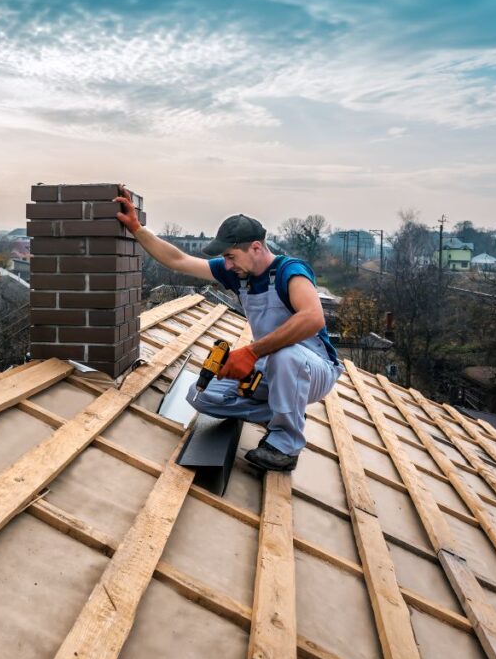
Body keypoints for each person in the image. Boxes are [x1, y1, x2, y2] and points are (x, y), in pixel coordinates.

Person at [114, 188, 342, 471]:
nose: (227, 264)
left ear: (256, 248)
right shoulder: (238, 274)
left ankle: (285, 446)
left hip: (313, 368)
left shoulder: (290, 271)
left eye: (231, 256)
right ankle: (285, 411)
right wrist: (137, 229)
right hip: (271, 366)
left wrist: (252, 352)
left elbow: (313, 318)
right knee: (203, 396)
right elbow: (178, 260)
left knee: (287, 358)